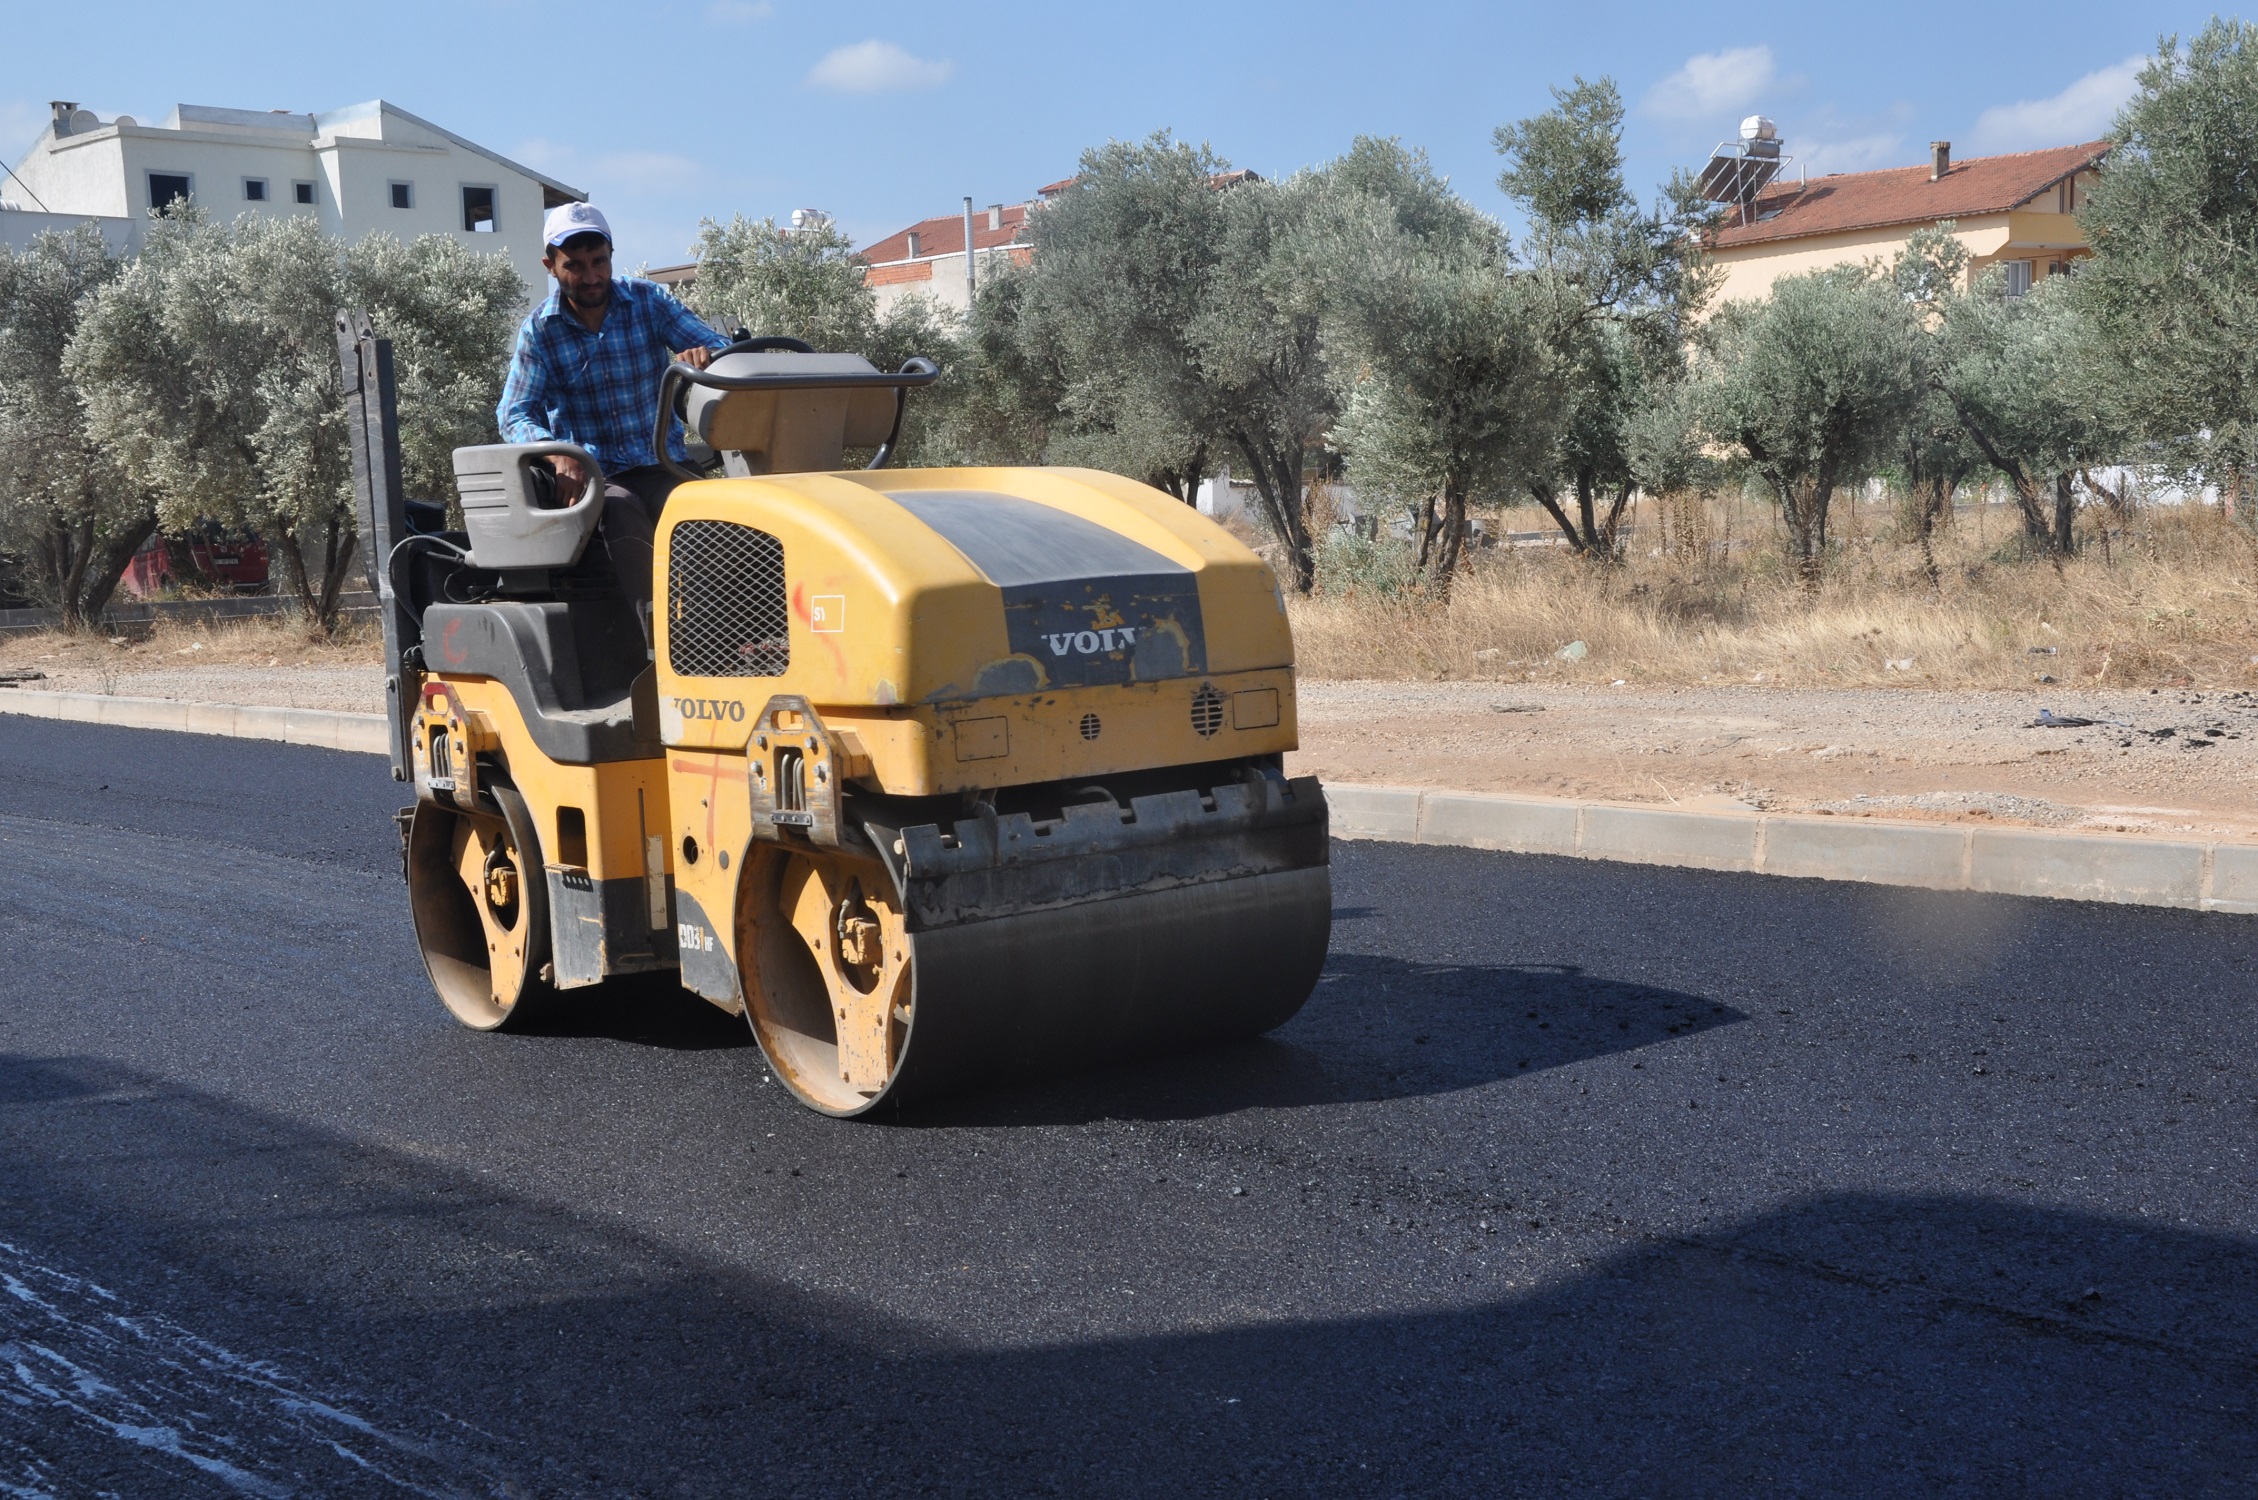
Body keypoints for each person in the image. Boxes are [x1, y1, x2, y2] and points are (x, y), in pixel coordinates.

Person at [496, 201, 732, 635]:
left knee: (714, 513)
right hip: (599, 477)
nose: (591, 277)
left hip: (663, 463)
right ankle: (664, 644)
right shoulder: (539, 331)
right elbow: (514, 414)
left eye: (599, 262)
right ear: (551, 266)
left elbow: (718, 352)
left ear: (611, 255)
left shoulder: (648, 300)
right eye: (576, 266)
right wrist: (558, 455)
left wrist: (705, 354)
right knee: (622, 514)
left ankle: (735, 634)